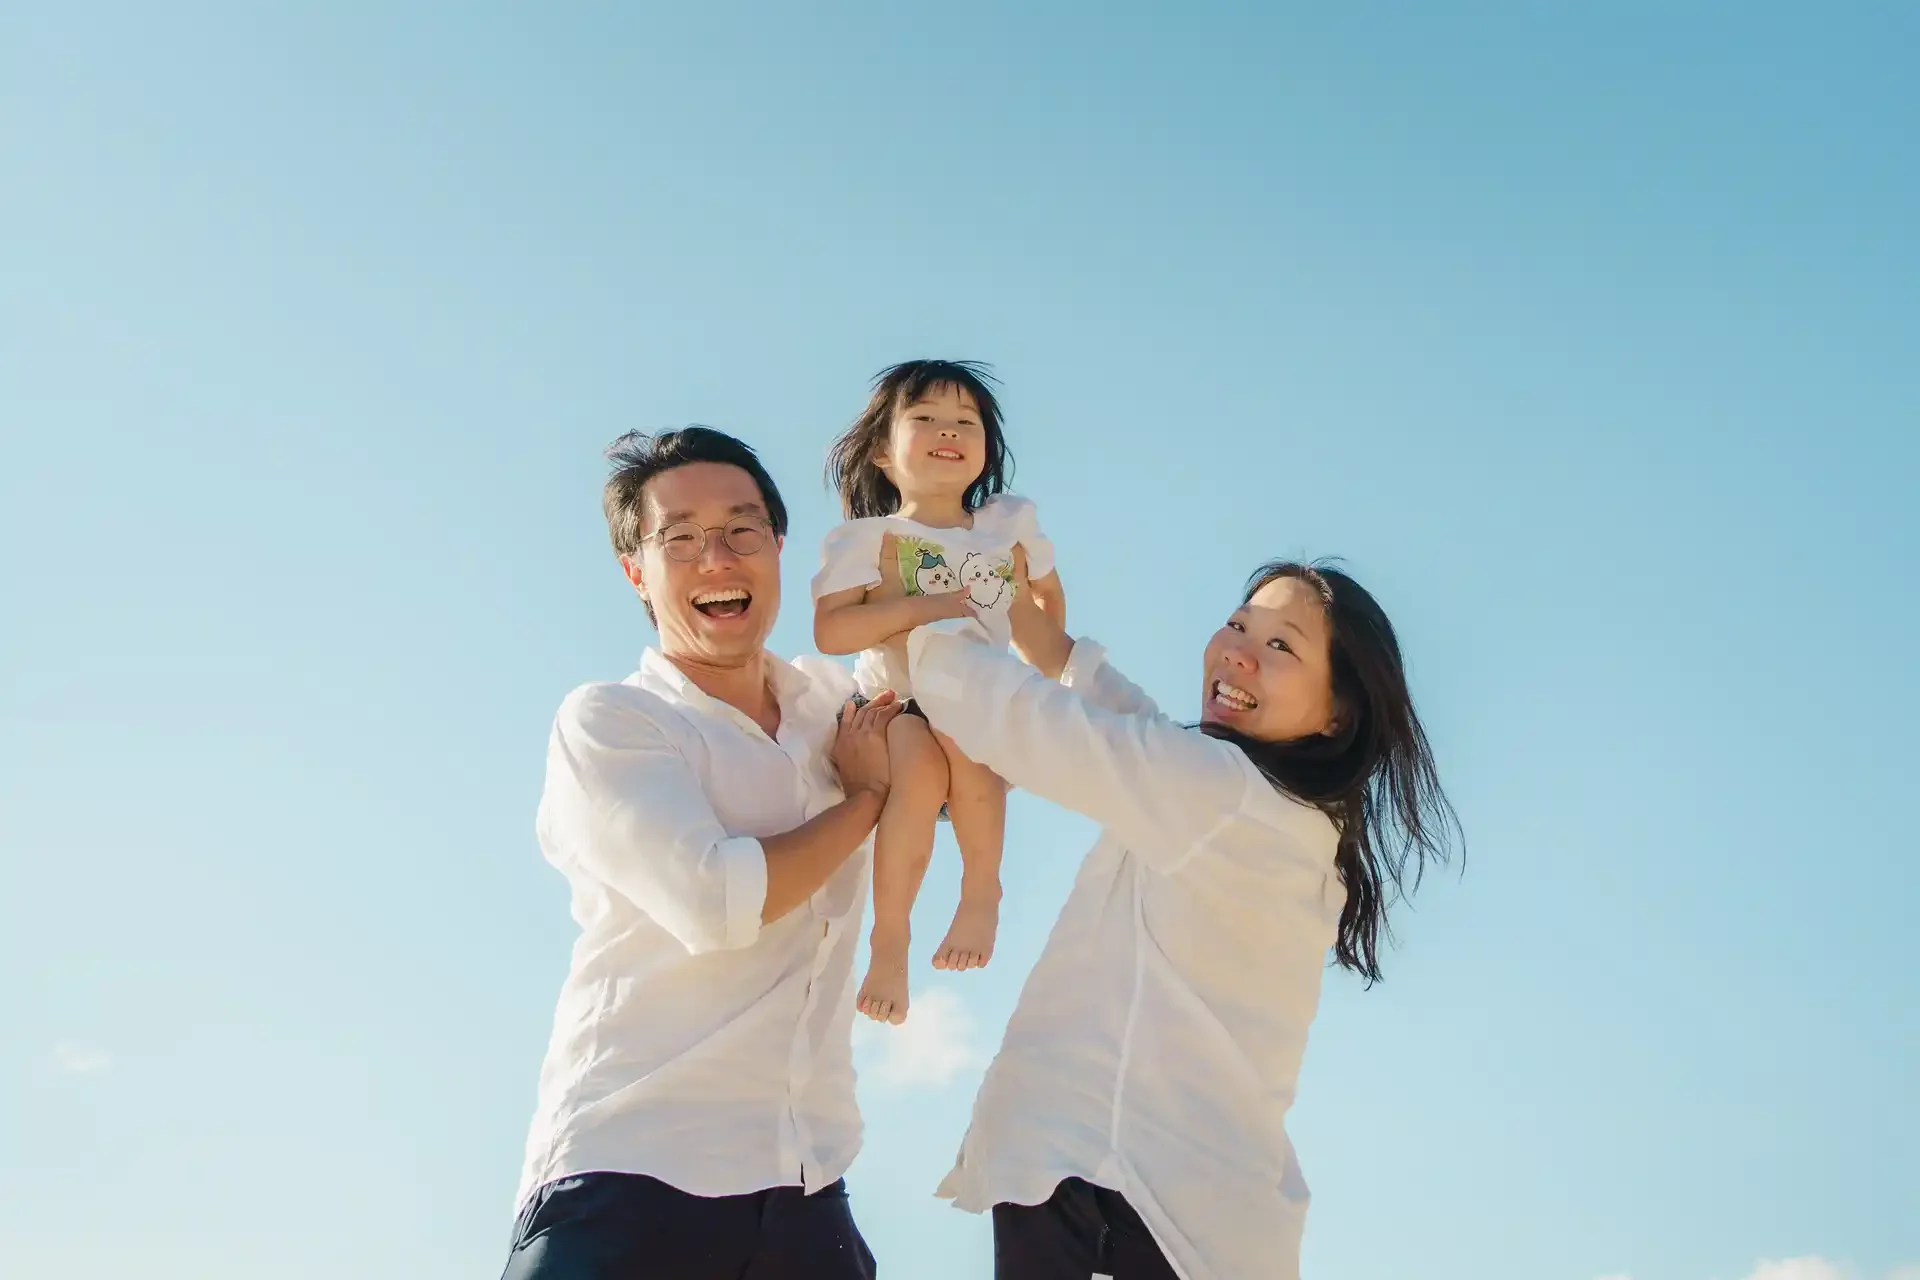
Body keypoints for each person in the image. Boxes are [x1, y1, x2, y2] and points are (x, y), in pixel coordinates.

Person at [908, 554, 1461, 1280]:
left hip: (1126, 1197)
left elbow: (1029, 724)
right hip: (1153, 1203)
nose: (1237, 650)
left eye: (1280, 645)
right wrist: (1007, 603)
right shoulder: (1273, 811)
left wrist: (911, 623)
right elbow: (1114, 706)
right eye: (1238, 624)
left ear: (1338, 713)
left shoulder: (1223, 797)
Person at [500, 427, 903, 1280]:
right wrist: (865, 800)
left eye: (741, 530)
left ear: (779, 549)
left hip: (808, 1181)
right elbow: (717, 903)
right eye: (679, 539)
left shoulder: (832, 705)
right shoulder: (614, 722)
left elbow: (981, 739)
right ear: (636, 572)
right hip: (630, 1176)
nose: (716, 557)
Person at [811, 359, 1067, 1025]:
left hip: (975, 699)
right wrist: (926, 608)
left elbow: (1045, 595)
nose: (947, 431)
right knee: (921, 768)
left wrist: (1036, 672)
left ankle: (981, 888)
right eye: (923, 419)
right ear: (882, 453)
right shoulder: (866, 540)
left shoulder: (1005, 528)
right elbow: (833, 630)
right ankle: (889, 935)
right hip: (894, 704)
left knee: (967, 739)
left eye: (965, 422)